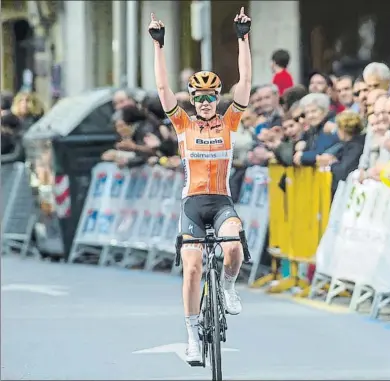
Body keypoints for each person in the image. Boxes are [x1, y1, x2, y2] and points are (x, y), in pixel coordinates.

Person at [148, 7, 252, 364]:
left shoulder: (230, 121)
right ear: (192, 100)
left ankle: (226, 286)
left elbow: (246, 82)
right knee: (192, 266)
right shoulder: (182, 125)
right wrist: (158, 46)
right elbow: (163, 87)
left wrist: (242, 39)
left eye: (211, 97)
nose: (206, 103)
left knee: (234, 246)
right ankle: (192, 334)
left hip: (221, 200)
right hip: (193, 203)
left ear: (218, 99)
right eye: (199, 98)